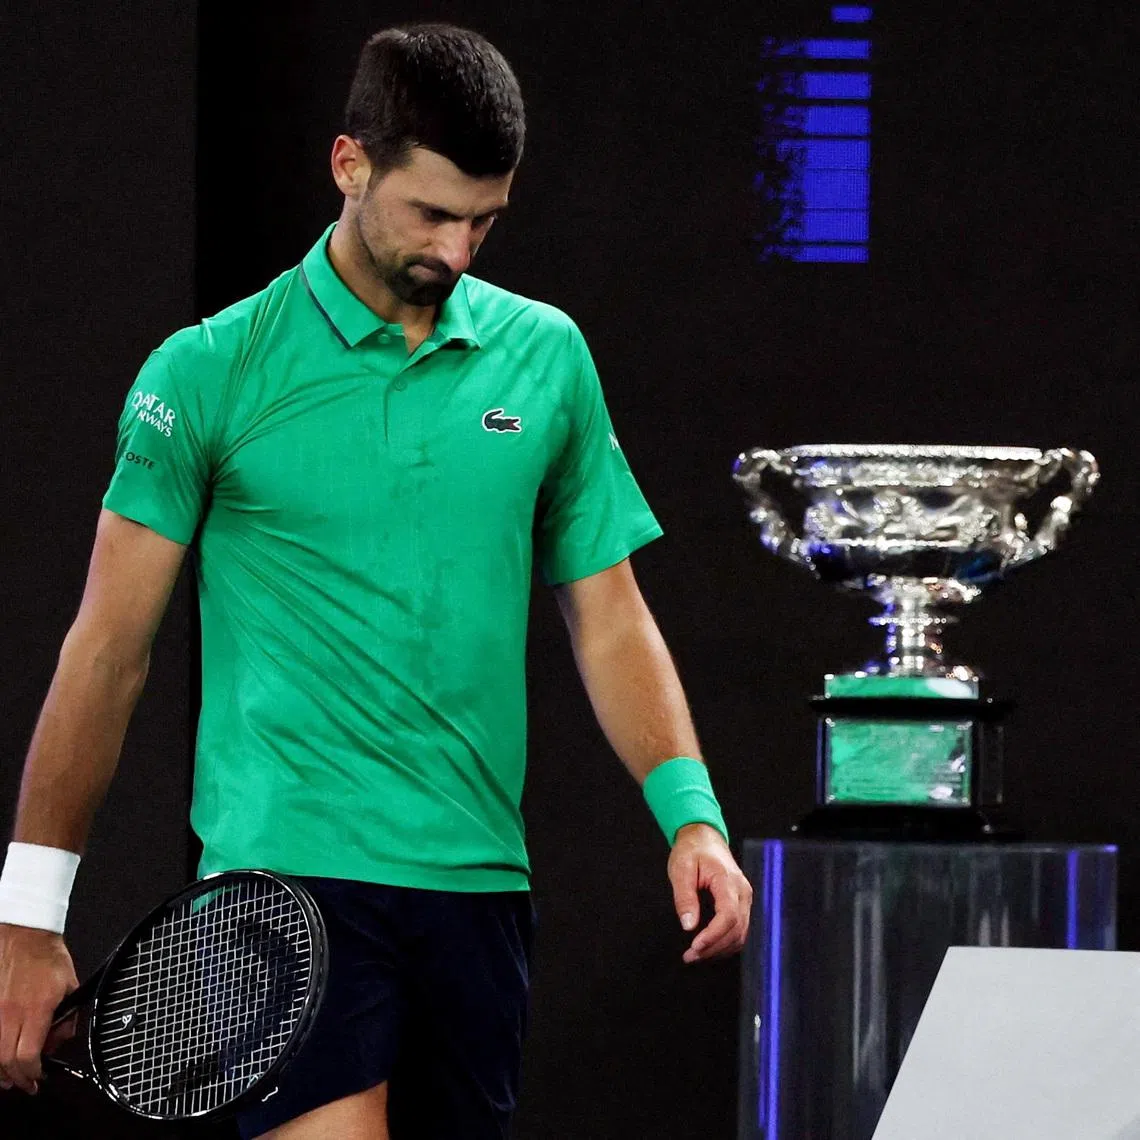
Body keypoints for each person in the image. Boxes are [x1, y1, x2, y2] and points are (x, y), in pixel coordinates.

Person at [0, 23, 752, 1139]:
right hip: (283, 887)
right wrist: (27, 915)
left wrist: (692, 818)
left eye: (484, 221)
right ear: (349, 165)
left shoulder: (548, 357)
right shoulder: (207, 372)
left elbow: (609, 615)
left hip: (480, 892)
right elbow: (107, 651)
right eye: (431, 213)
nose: (457, 250)